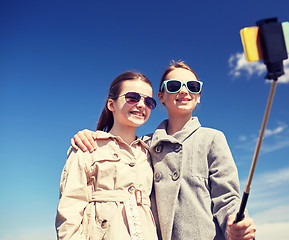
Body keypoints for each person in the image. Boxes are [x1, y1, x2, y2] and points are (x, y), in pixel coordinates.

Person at [71, 61, 256, 240]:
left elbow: (227, 196)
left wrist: (235, 222)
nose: (184, 90)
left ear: (198, 95)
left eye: (192, 86)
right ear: (161, 97)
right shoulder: (143, 145)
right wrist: (90, 136)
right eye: (174, 85)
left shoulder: (212, 139)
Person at [56, 71, 159, 240]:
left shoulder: (151, 152)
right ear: (111, 104)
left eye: (148, 101)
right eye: (132, 97)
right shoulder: (87, 146)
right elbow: (70, 208)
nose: (141, 105)